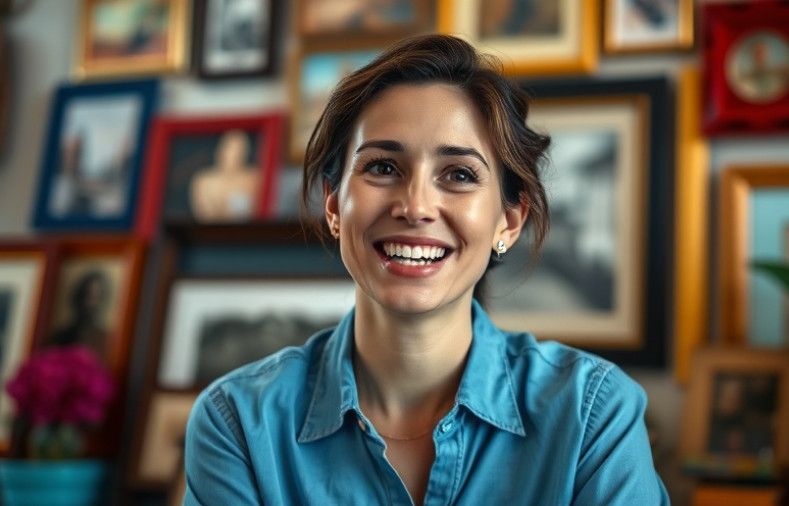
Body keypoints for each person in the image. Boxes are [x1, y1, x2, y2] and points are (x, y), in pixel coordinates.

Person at [183, 33, 669, 505]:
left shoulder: (593, 416)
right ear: (333, 205)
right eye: (382, 167)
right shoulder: (238, 424)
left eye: (458, 175)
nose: (415, 207)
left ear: (509, 220)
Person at [189, 129, 260, 222]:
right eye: (229, 149)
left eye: (239, 152)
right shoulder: (203, 180)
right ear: (220, 151)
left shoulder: (253, 178)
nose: (233, 156)